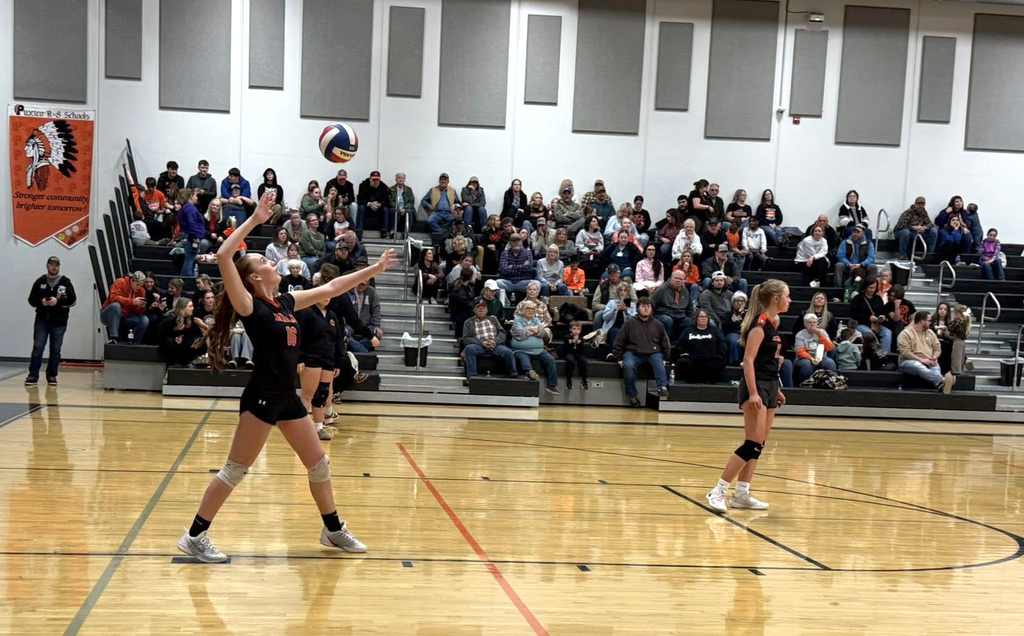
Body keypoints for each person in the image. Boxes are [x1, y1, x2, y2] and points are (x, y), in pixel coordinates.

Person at [177, 191, 397, 563]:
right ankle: (194, 536)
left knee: (319, 463)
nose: (273, 262)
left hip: (287, 397)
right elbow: (225, 255)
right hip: (262, 396)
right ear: (253, 277)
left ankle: (332, 530)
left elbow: (332, 288)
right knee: (235, 469)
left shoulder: (285, 302)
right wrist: (255, 219)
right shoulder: (250, 305)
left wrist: (374, 270)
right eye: (265, 261)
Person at [705, 279, 790, 513]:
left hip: (770, 385)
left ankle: (742, 493)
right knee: (752, 442)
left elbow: (768, 361)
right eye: (787, 296)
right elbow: (749, 361)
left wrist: (777, 389)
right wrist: (753, 393)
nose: (789, 300)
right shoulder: (759, 325)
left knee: (759, 444)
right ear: (775, 299)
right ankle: (718, 491)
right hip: (757, 387)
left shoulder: (772, 324)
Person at [297, 277, 344, 440]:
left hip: (328, 360)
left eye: (329, 294)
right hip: (311, 359)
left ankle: (318, 427)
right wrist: (299, 358)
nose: (327, 297)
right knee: (308, 395)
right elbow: (299, 337)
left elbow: (338, 340)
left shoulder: (331, 316)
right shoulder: (306, 312)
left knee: (322, 395)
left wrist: (338, 362)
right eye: (323, 294)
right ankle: (301, 428)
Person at [26, 256, 76, 386]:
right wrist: (42, 302)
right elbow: (31, 300)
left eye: (56, 265)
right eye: (52, 264)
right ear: (47, 265)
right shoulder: (40, 281)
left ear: (59, 266)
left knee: (55, 349)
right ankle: (33, 375)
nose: (54, 267)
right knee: (38, 347)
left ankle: (52, 375)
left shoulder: (65, 282)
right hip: (42, 320)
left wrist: (58, 302)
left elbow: (73, 300)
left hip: (59, 321)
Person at [612, 297, 671, 406]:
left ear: (652, 309)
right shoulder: (629, 323)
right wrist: (619, 358)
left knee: (659, 363)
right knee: (628, 366)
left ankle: (662, 387)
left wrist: (666, 358)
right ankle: (632, 395)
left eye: (648, 306)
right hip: (633, 352)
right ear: (638, 308)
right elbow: (618, 341)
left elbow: (665, 342)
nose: (646, 309)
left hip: (653, 353)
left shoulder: (658, 324)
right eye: (643, 306)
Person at [897, 311, 956, 394]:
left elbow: (937, 347)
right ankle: (943, 381)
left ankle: (942, 386)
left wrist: (935, 357)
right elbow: (905, 352)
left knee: (935, 368)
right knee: (918, 366)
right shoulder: (905, 334)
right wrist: (921, 360)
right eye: (929, 321)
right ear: (922, 322)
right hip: (908, 361)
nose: (931, 323)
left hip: (929, 360)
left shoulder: (930, 333)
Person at [511, 301, 559, 395]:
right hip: (521, 350)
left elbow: (542, 332)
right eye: (528, 308)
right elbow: (519, 333)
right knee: (523, 358)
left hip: (539, 350)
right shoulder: (518, 320)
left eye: (532, 309)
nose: (530, 310)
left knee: (550, 359)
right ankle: (530, 373)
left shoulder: (536, 320)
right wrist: (534, 331)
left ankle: (552, 385)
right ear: (523, 310)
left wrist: (527, 330)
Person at [463, 298, 517, 379]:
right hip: (479, 346)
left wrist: (495, 341)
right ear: (474, 310)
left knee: (508, 352)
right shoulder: (468, 322)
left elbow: (502, 333)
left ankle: (513, 374)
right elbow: (466, 339)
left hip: (495, 345)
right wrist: (482, 342)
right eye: (479, 308)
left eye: (483, 308)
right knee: (469, 348)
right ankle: (472, 375)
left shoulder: (493, 319)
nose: (481, 310)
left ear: (487, 310)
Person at [676, 309, 727, 383]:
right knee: (683, 362)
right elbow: (679, 343)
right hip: (692, 358)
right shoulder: (688, 330)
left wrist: (719, 354)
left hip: (710, 358)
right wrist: (683, 353)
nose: (703, 318)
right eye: (701, 316)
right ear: (696, 319)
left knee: (718, 363)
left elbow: (722, 342)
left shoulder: (714, 330)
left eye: (705, 317)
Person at [101, 271, 149, 345]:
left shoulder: (142, 291)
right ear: (132, 280)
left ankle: (135, 343)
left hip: (125, 316)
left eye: (141, 286)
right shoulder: (120, 282)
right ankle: (113, 338)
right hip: (108, 314)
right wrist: (131, 301)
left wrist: (141, 307)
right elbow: (113, 298)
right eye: (137, 285)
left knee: (144, 320)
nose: (138, 288)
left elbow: (137, 312)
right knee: (116, 306)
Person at [651, 270, 694, 345]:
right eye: (676, 278)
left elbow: (689, 308)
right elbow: (651, 304)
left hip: (680, 316)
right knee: (667, 320)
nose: (678, 280)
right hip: (664, 314)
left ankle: (678, 344)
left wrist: (691, 318)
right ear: (671, 278)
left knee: (690, 322)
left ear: (683, 280)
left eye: (680, 279)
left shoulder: (685, 290)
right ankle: (665, 344)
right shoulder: (661, 289)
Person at [159, 298, 205, 367]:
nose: (193, 308)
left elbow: (194, 334)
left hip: (184, 341)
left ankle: (191, 363)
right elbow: (161, 334)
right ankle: (172, 365)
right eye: (190, 306)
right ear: (183, 308)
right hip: (170, 342)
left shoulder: (191, 318)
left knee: (195, 341)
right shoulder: (170, 319)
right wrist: (175, 337)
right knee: (170, 341)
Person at [497, 235, 543, 304]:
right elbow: (503, 270)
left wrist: (512, 266)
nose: (516, 243)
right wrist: (522, 266)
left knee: (537, 283)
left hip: (523, 282)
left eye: (518, 241)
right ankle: (506, 304)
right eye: (514, 241)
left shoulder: (527, 253)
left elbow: (529, 268)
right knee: (497, 283)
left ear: (521, 242)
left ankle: (528, 304)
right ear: (510, 243)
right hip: (509, 282)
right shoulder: (505, 253)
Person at [851, 277, 892, 352]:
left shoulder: (878, 298)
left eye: (874, 288)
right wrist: (868, 318)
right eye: (870, 288)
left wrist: (882, 317)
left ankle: (885, 354)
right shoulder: (858, 298)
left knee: (887, 333)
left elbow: (883, 311)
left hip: (877, 324)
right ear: (865, 287)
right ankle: (875, 353)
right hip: (862, 323)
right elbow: (854, 314)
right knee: (869, 334)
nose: (872, 290)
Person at [794, 313, 837, 384]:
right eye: (809, 322)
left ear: (817, 324)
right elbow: (800, 352)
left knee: (830, 362)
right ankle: (804, 385)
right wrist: (811, 358)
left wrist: (820, 335)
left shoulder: (822, 332)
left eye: (814, 322)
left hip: (821, 357)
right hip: (804, 358)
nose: (812, 324)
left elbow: (830, 348)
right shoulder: (800, 334)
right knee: (807, 364)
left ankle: (832, 383)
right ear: (805, 324)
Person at [835, 224, 877, 290]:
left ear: (863, 233)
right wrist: (849, 264)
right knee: (838, 265)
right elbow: (840, 256)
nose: (855, 234)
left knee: (873, 267)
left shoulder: (869, 243)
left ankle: (870, 288)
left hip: (862, 266)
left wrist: (861, 264)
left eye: (858, 232)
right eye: (854, 232)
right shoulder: (845, 242)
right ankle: (837, 289)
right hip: (848, 265)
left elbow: (871, 258)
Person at [353, 170, 388, 239]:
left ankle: (385, 231)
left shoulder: (384, 187)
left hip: (378, 207)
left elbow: (386, 201)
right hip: (367, 206)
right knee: (361, 208)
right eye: (373, 180)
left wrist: (379, 204)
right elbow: (360, 199)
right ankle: (359, 231)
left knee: (385, 209)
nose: (375, 182)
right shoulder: (363, 185)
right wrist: (369, 204)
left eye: (377, 180)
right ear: (370, 179)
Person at [325, 169, 357, 233]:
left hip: (344, 205)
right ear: (337, 177)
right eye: (340, 179)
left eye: (343, 179)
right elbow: (325, 196)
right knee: (329, 214)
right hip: (332, 204)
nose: (342, 181)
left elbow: (352, 198)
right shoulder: (330, 183)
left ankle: (353, 227)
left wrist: (346, 200)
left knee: (354, 205)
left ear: (346, 178)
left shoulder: (349, 185)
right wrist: (330, 199)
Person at [386, 172, 416, 239]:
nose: (401, 179)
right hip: (395, 207)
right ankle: (393, 231)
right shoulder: (391, 189)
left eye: (402, 178)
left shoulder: (408, 189)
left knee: (409, 211)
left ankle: (406, 232)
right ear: (396, 179)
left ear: (404, 179)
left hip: (405, 208)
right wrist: (398, 208)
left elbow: (411, 201)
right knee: (394, 211)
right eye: (399, 178)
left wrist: (404, 208)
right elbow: (390, 201)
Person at [563, 321, 589, 390]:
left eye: (578, 329)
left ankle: (584, 379)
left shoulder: (581, 338)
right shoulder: (567, 337)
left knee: (583, 361)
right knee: (571, 361)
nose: (576, 331)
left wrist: (579, 344)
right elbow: (565, 349)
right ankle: (569, 380)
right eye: (574, 329)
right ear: (570, 329)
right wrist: (573, 342)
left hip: (578, 354)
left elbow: (582, 351)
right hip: (569, 353)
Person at [723, 291, 747, 365]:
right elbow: (726, 326)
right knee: (735, 340)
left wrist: (739, 319)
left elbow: (748, 326)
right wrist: (738, 323)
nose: (740, 303)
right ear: (733, 303)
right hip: (732, 333)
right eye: (737, 301)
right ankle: (734, 362)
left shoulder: (748, 314)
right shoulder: (728, 314)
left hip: (745, 333)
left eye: (742, 301)